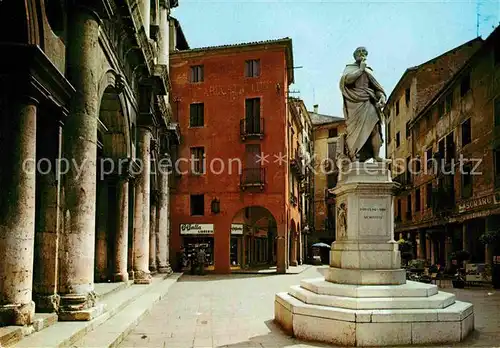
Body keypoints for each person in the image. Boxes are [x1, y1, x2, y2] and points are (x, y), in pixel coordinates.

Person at [339, 46, 387, 162]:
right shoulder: (350, 68)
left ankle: (376, 156)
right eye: (359, 52)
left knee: (375, 129)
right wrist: (360, 70)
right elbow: (347, 81)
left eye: (364, 52)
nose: (361, 54)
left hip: (369, 102)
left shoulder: (368, 70)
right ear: (354, 55)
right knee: (355, 131)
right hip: (354, 105)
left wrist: (381, 97)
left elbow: (377, 87)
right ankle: (354, 156)